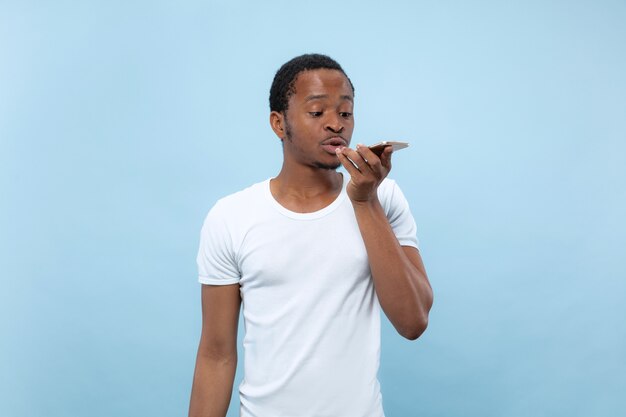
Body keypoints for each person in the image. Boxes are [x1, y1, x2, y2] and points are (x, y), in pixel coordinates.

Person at [188, 53, 433, 417]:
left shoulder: (385, 198)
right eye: (317, 113)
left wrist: (365, 201)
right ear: (278, 124)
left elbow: (413, 321)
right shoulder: (231, 217)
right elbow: (216, 354)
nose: (336, 125)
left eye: (345, 113)